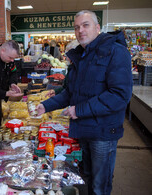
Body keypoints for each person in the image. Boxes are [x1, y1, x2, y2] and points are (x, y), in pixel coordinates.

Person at [37, 10, 132, 195]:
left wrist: (78, 110)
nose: (80, 30)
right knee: (86, 178)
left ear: (98, 28)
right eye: (77, 27)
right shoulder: (81, 55)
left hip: (103, 133)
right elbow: (70, 92)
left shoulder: (116, 52)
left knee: (100, 184)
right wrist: (45, 106)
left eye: (85, 25)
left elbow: (119, 95)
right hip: (84, 130)